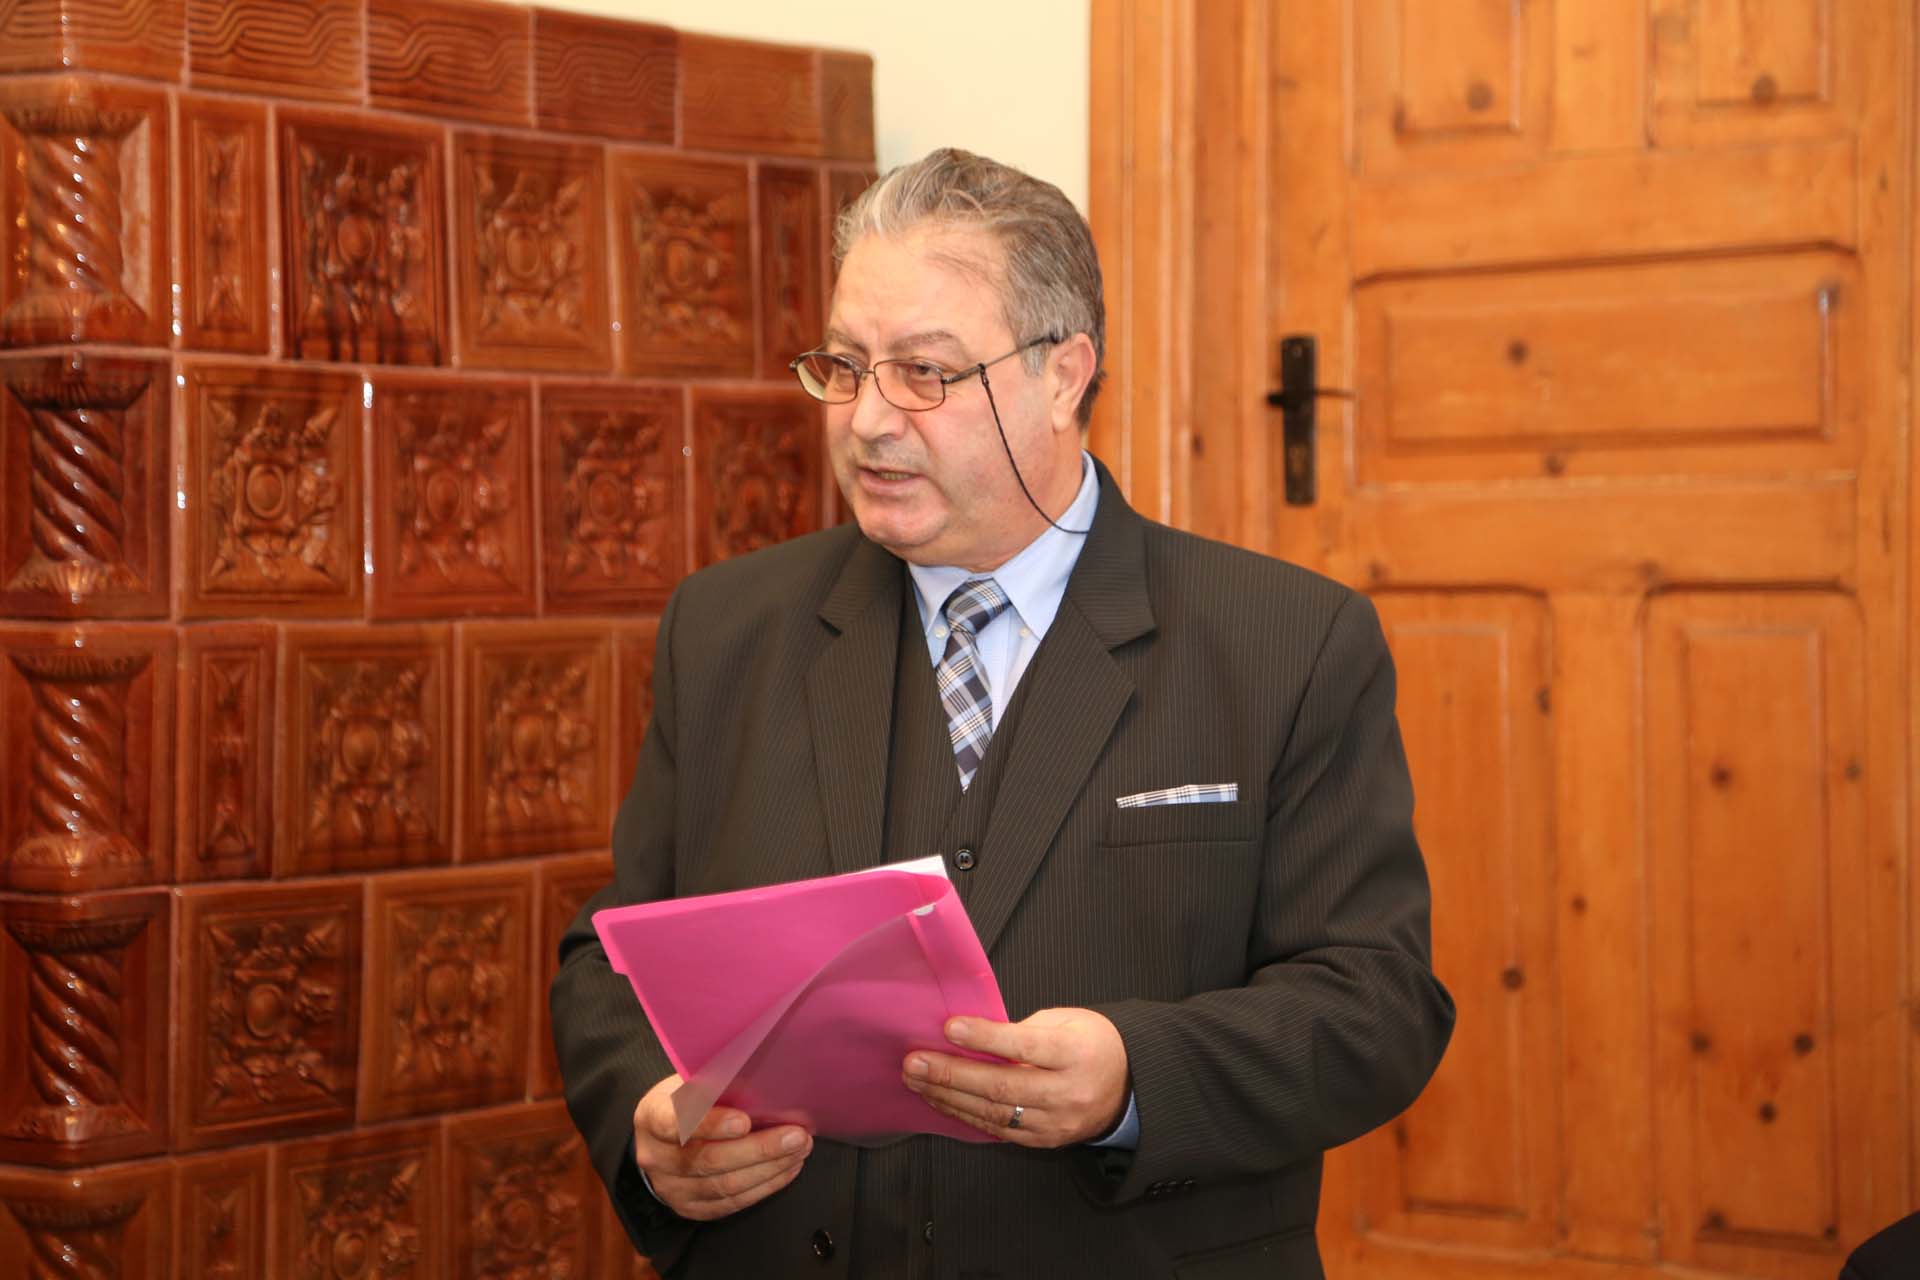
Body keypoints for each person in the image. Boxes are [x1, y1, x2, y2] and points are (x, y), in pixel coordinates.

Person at [551, 148, 1454, 1279]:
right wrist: (650, 1123)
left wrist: (1135, 1076)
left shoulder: (1287, 644)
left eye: (924, 373)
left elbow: (1377, 1004)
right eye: (845, 366)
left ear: (1063, 374)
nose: (868, 421)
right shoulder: (726, 629)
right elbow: (614, 956)